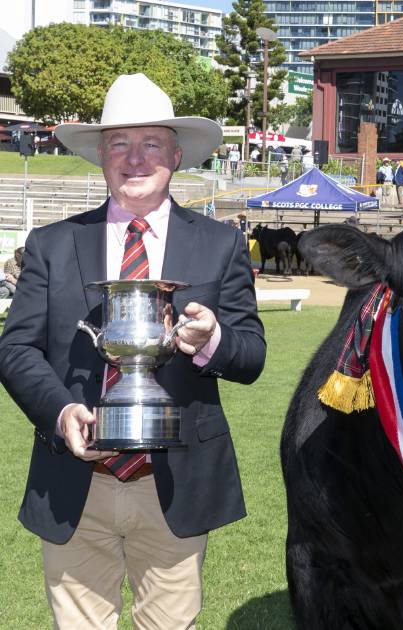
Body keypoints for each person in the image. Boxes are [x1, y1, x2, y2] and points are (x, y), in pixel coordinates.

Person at [0, 73, 266, 628]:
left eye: (150, 144)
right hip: (75, 480)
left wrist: (210, 340)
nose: (135, 158)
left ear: (175, 154)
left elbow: (251, 355)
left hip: (175, 485)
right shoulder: (50, 245)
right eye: (120, 143)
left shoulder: (221, 245)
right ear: (101, 155)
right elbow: (17, 348)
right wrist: (62, 413)